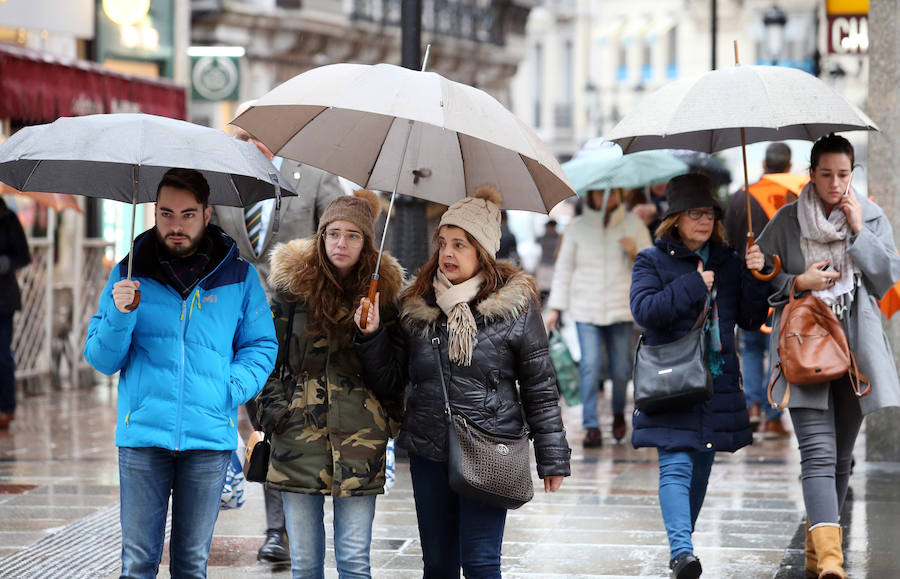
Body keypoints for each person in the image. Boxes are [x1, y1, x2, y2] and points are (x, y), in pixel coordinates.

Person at [353, 187, 571, 577]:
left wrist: (552, 458)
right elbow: (389, 380)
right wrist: (371, 336)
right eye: (442, 243)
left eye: (460, 244)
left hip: (491, 447)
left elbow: (539, 387)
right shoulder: (416, 306)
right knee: (437, 564)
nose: (447, 253)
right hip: (429, 449)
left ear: (483, 251)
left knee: (481, 562)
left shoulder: (516, 307)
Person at [83, 168, 278, 578]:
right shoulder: (128, 272)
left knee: (191, 564)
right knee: (137, 564)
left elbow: (261, 345)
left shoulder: (238, 275)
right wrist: (120, 314)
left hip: (208, 438)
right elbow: (101, 359)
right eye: (166, 213)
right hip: (143, 437)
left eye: (187, 214)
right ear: (154, 212)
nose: (175, 225)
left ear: (207, 214)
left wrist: (231, 388)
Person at [756, 134, 900, 579]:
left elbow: (886, 279)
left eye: (843, 174)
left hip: (855, 352)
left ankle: (820, 557)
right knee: (817, 454)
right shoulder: (784, 220)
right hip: (804, 347)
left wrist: (859, 230)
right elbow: (763, 281)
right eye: (826, 174)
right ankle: (833, 563)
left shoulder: (871, 216)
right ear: (811, 173)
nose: (835, 184)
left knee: (839, 458)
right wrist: (797, 282)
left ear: (852, 174)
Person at [211, 99, 343, 563]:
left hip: (300, 325)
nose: (246, 140)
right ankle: (272, 526)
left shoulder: (315, 175)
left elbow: (340, 240)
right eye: (242, 133)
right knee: (263, 420)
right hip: (240, 326)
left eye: (252, 131)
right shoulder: (228, 179)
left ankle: (287, 528)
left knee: (287, 423)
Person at [255, 190, 404, 579]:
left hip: (360, 443)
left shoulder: (383, 299)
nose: (341, 243)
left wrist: (371, 337)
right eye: (333, 233)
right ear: (320, 236)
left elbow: (392, 379)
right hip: (296, 440)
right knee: (305, 565)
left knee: (355, 563)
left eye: (353, 235)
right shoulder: (291, 292)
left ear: (366, 242)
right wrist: (275, 413)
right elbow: (264, 357)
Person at [630, 173, 769, 578]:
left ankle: (682, 548)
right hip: (672, 380)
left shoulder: (728, 260)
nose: (704, 221)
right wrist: (693, 283)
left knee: (701, 466)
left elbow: (751, 317)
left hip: (716, 383)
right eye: (695, 213)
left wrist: (756, 274)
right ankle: (681, 551)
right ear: (675, 218)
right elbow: (645, 311)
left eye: (709, 213)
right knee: (676, 463)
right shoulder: (651, 260)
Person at [546, 188, 652, 446]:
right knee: (590, 366)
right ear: (591, 196)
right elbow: (564, 270)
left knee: (620, 369)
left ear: (620, 194)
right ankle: (591, 425)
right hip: (586, 307)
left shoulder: (633, 224)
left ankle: (618, 414)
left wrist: (634, 252)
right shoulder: (577, 227)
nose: (606, 198)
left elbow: (651, 266)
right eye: (599, 194)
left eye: (612, 193)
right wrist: (555, 308)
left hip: (620, 307)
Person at [723, 142, 793, 438]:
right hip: (787, 284)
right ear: (789, 166)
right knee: (778, 349)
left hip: (750, 283)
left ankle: (752, 405)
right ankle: (773, 416)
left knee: (750, 347)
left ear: (764, 164)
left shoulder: (742, 197)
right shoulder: (795, 195)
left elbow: (727, 240)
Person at [0, 197, 31, 429]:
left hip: (3, 299)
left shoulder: (7, 218)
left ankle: (6, 408)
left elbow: (23, 256)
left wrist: (4, 263)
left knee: (2, 355)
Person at [534, 219, 559, 304]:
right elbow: (536, 239)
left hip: (553, 264)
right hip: (544, 264)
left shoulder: (558, 238)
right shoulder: (544, 237)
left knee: (551, 287)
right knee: (542, 287)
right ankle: (543, 304)